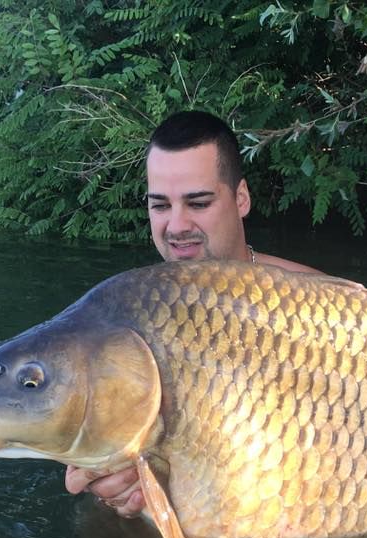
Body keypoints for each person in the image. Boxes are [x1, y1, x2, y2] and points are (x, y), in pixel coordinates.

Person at [65, 110, 320, 517]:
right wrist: (105, 478)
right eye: (160, 205)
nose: (176, 225)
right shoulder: (121, 318)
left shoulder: (314, 306)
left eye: (198, 202)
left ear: (241, 198)